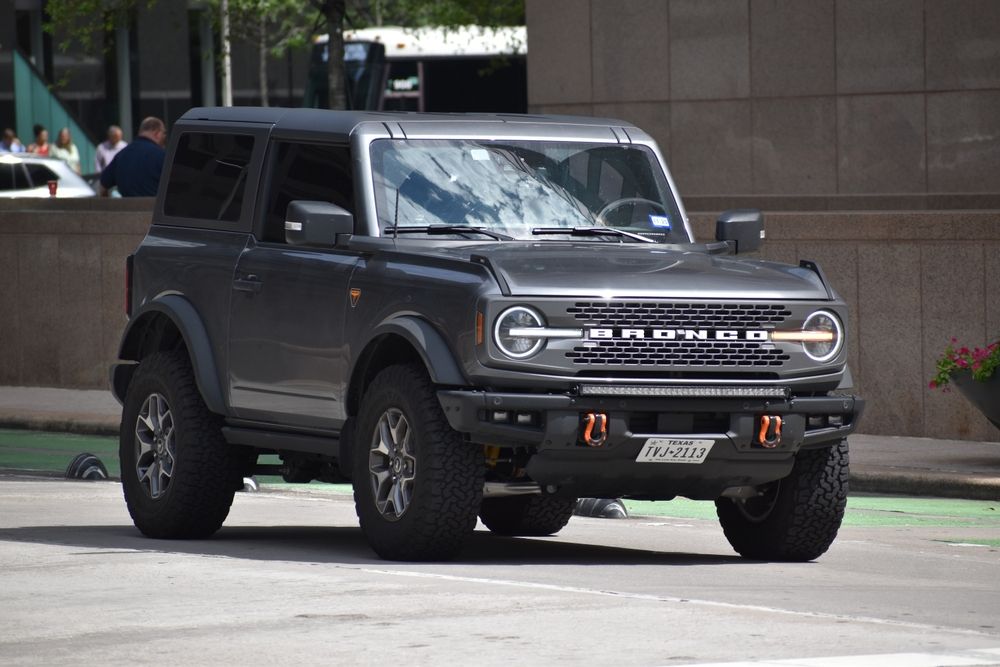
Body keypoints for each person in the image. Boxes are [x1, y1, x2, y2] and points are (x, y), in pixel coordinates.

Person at [100, 117, 167, 197]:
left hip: (127, 208)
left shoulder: (121, 155)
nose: (164, 136)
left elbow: (102, 187)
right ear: (157, 133)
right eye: (164, 133)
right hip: (155, 208)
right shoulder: (162, 156)